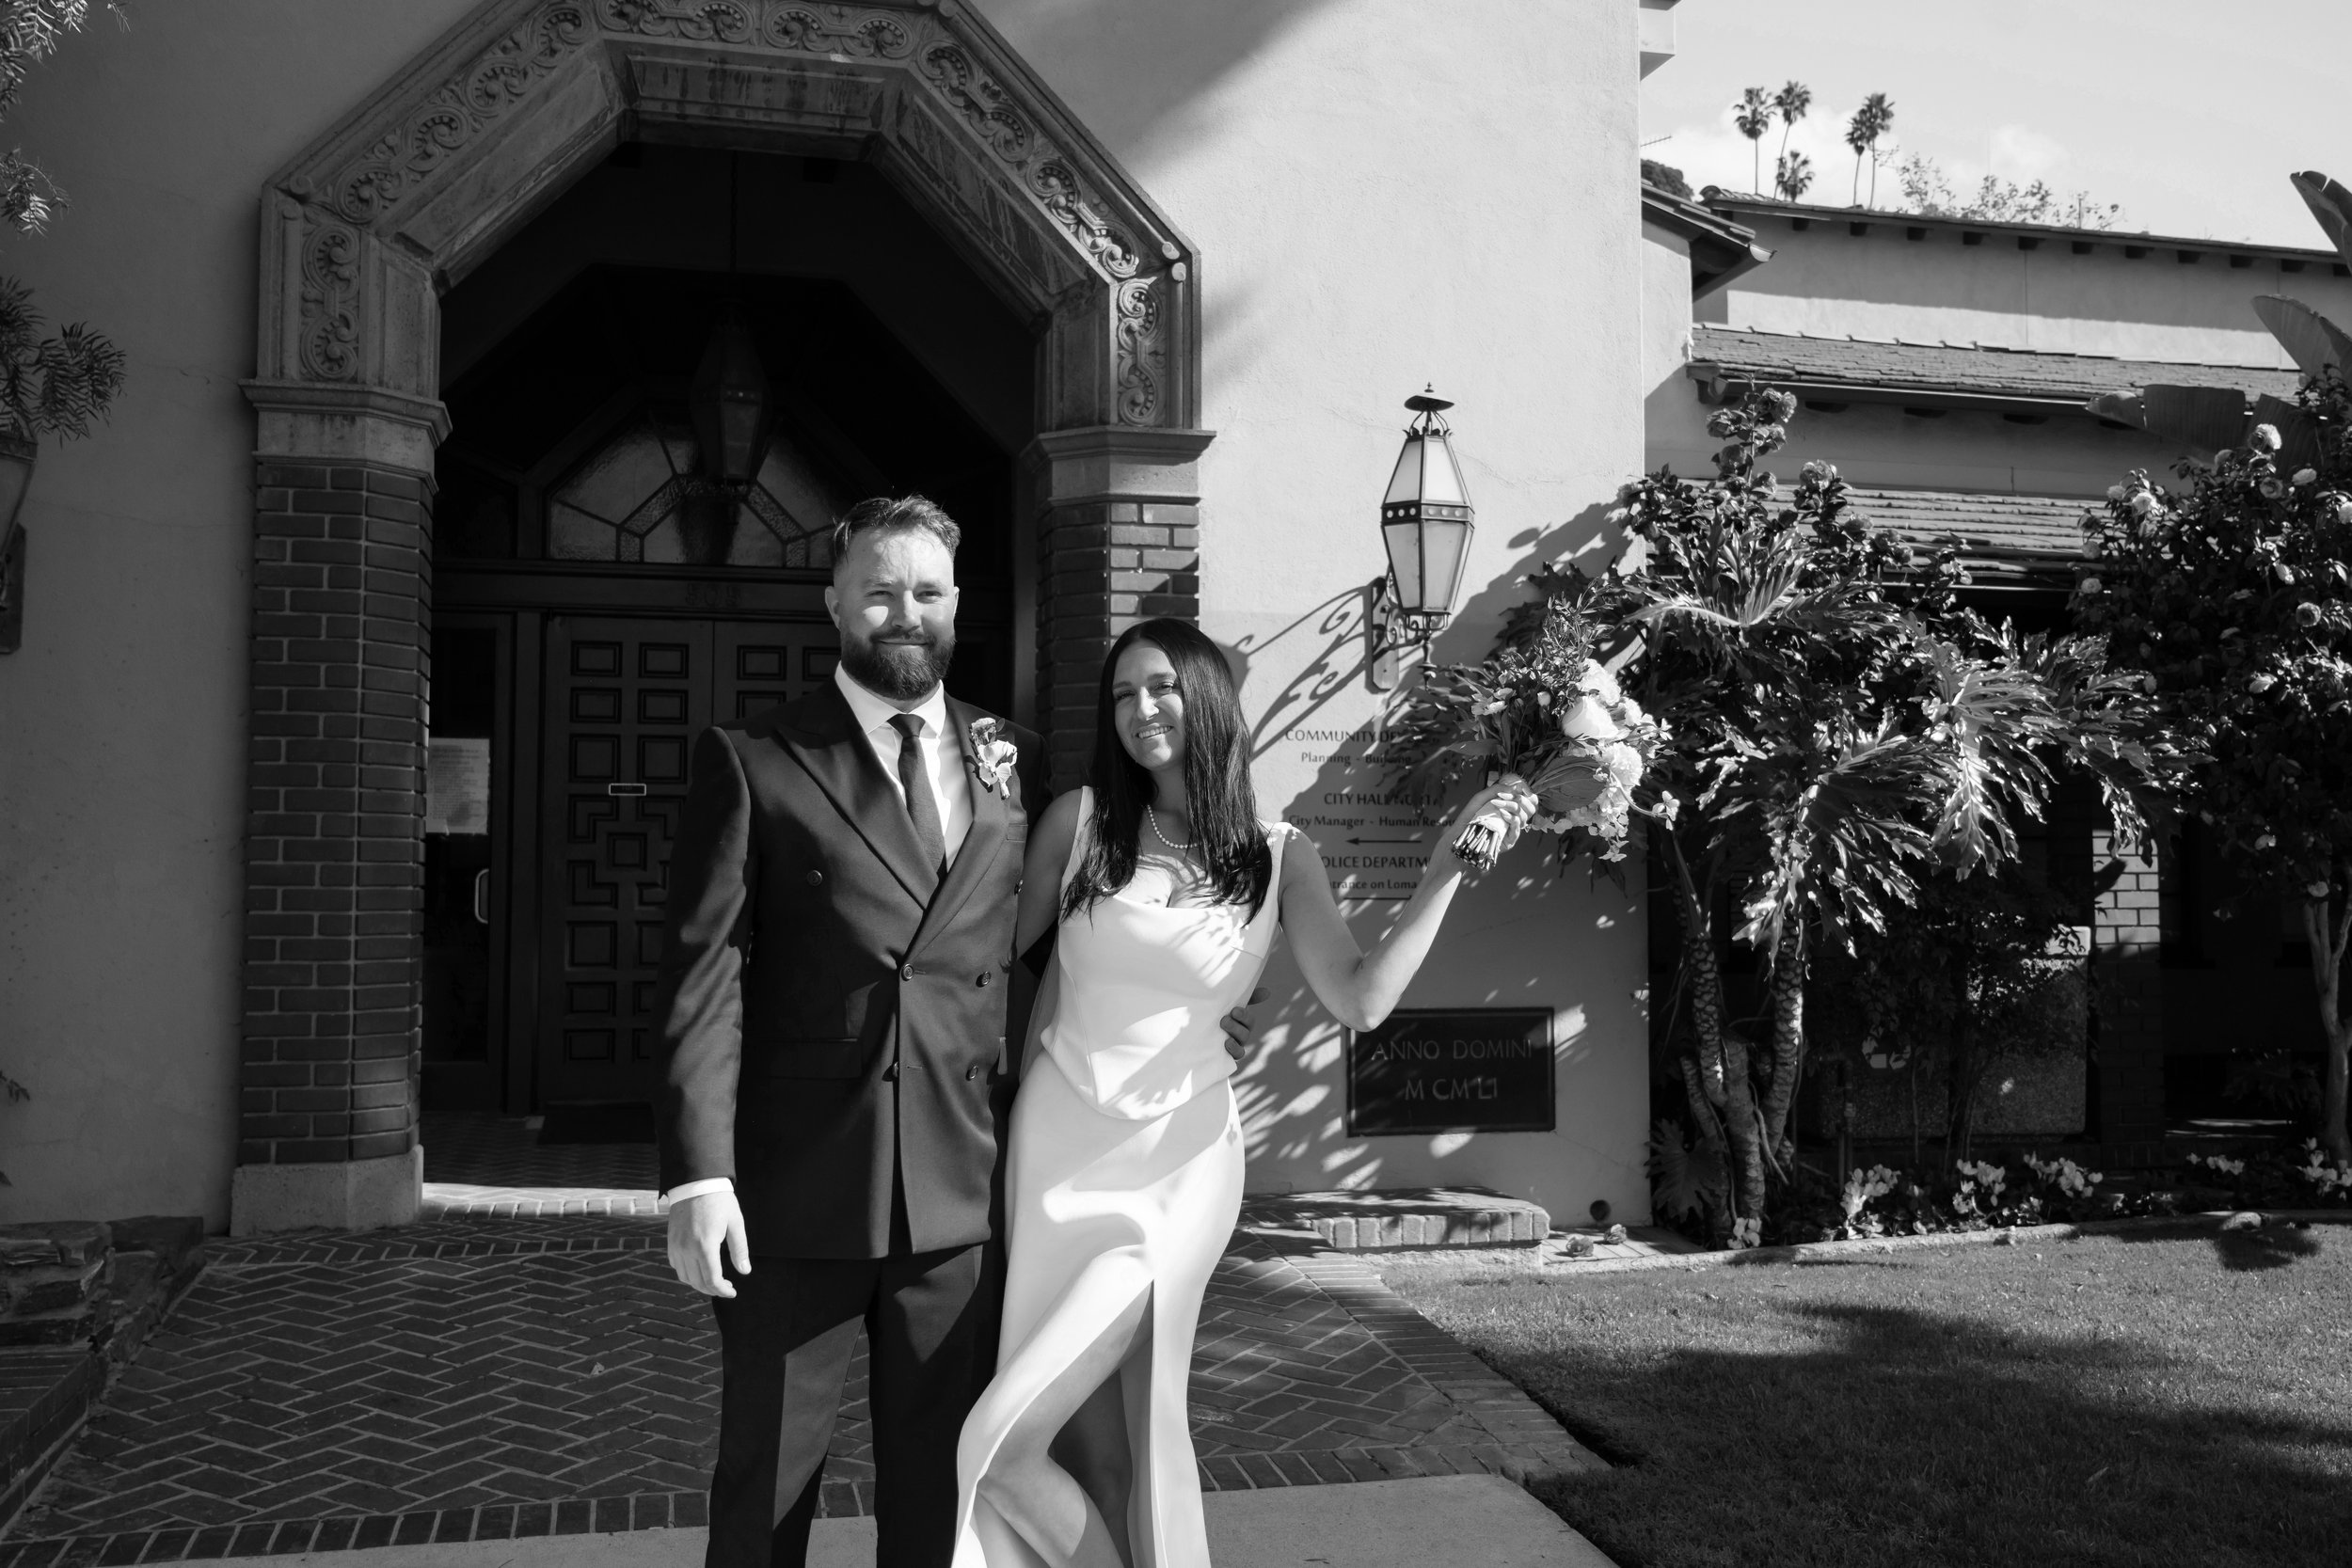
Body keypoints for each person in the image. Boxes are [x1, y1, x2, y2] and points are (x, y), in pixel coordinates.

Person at [654, 497, 1256, 1568]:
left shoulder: (1015, 760)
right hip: (796, 1191)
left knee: (944, 1499)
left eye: (925, 591)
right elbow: (706, 976)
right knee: (765, 1488)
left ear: (956, 604)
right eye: (879, 590)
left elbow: (1079, 939)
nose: (904, 612)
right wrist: (700, 1177)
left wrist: (1190, 1010)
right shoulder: (755, 756)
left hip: (963, 1193)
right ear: (833, 601)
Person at [950, 618, 1534, 1568]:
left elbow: (1360, 999)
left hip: (1177, 1171)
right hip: (1054, 1157)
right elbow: (978, 965)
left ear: (1209, 698)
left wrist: (1440, 877)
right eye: (1124, 693)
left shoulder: (1279, 854)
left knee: (997, 1445)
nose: (1142, 709)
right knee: (1093, 1444)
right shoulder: (1079, 821)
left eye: (1162, 687)